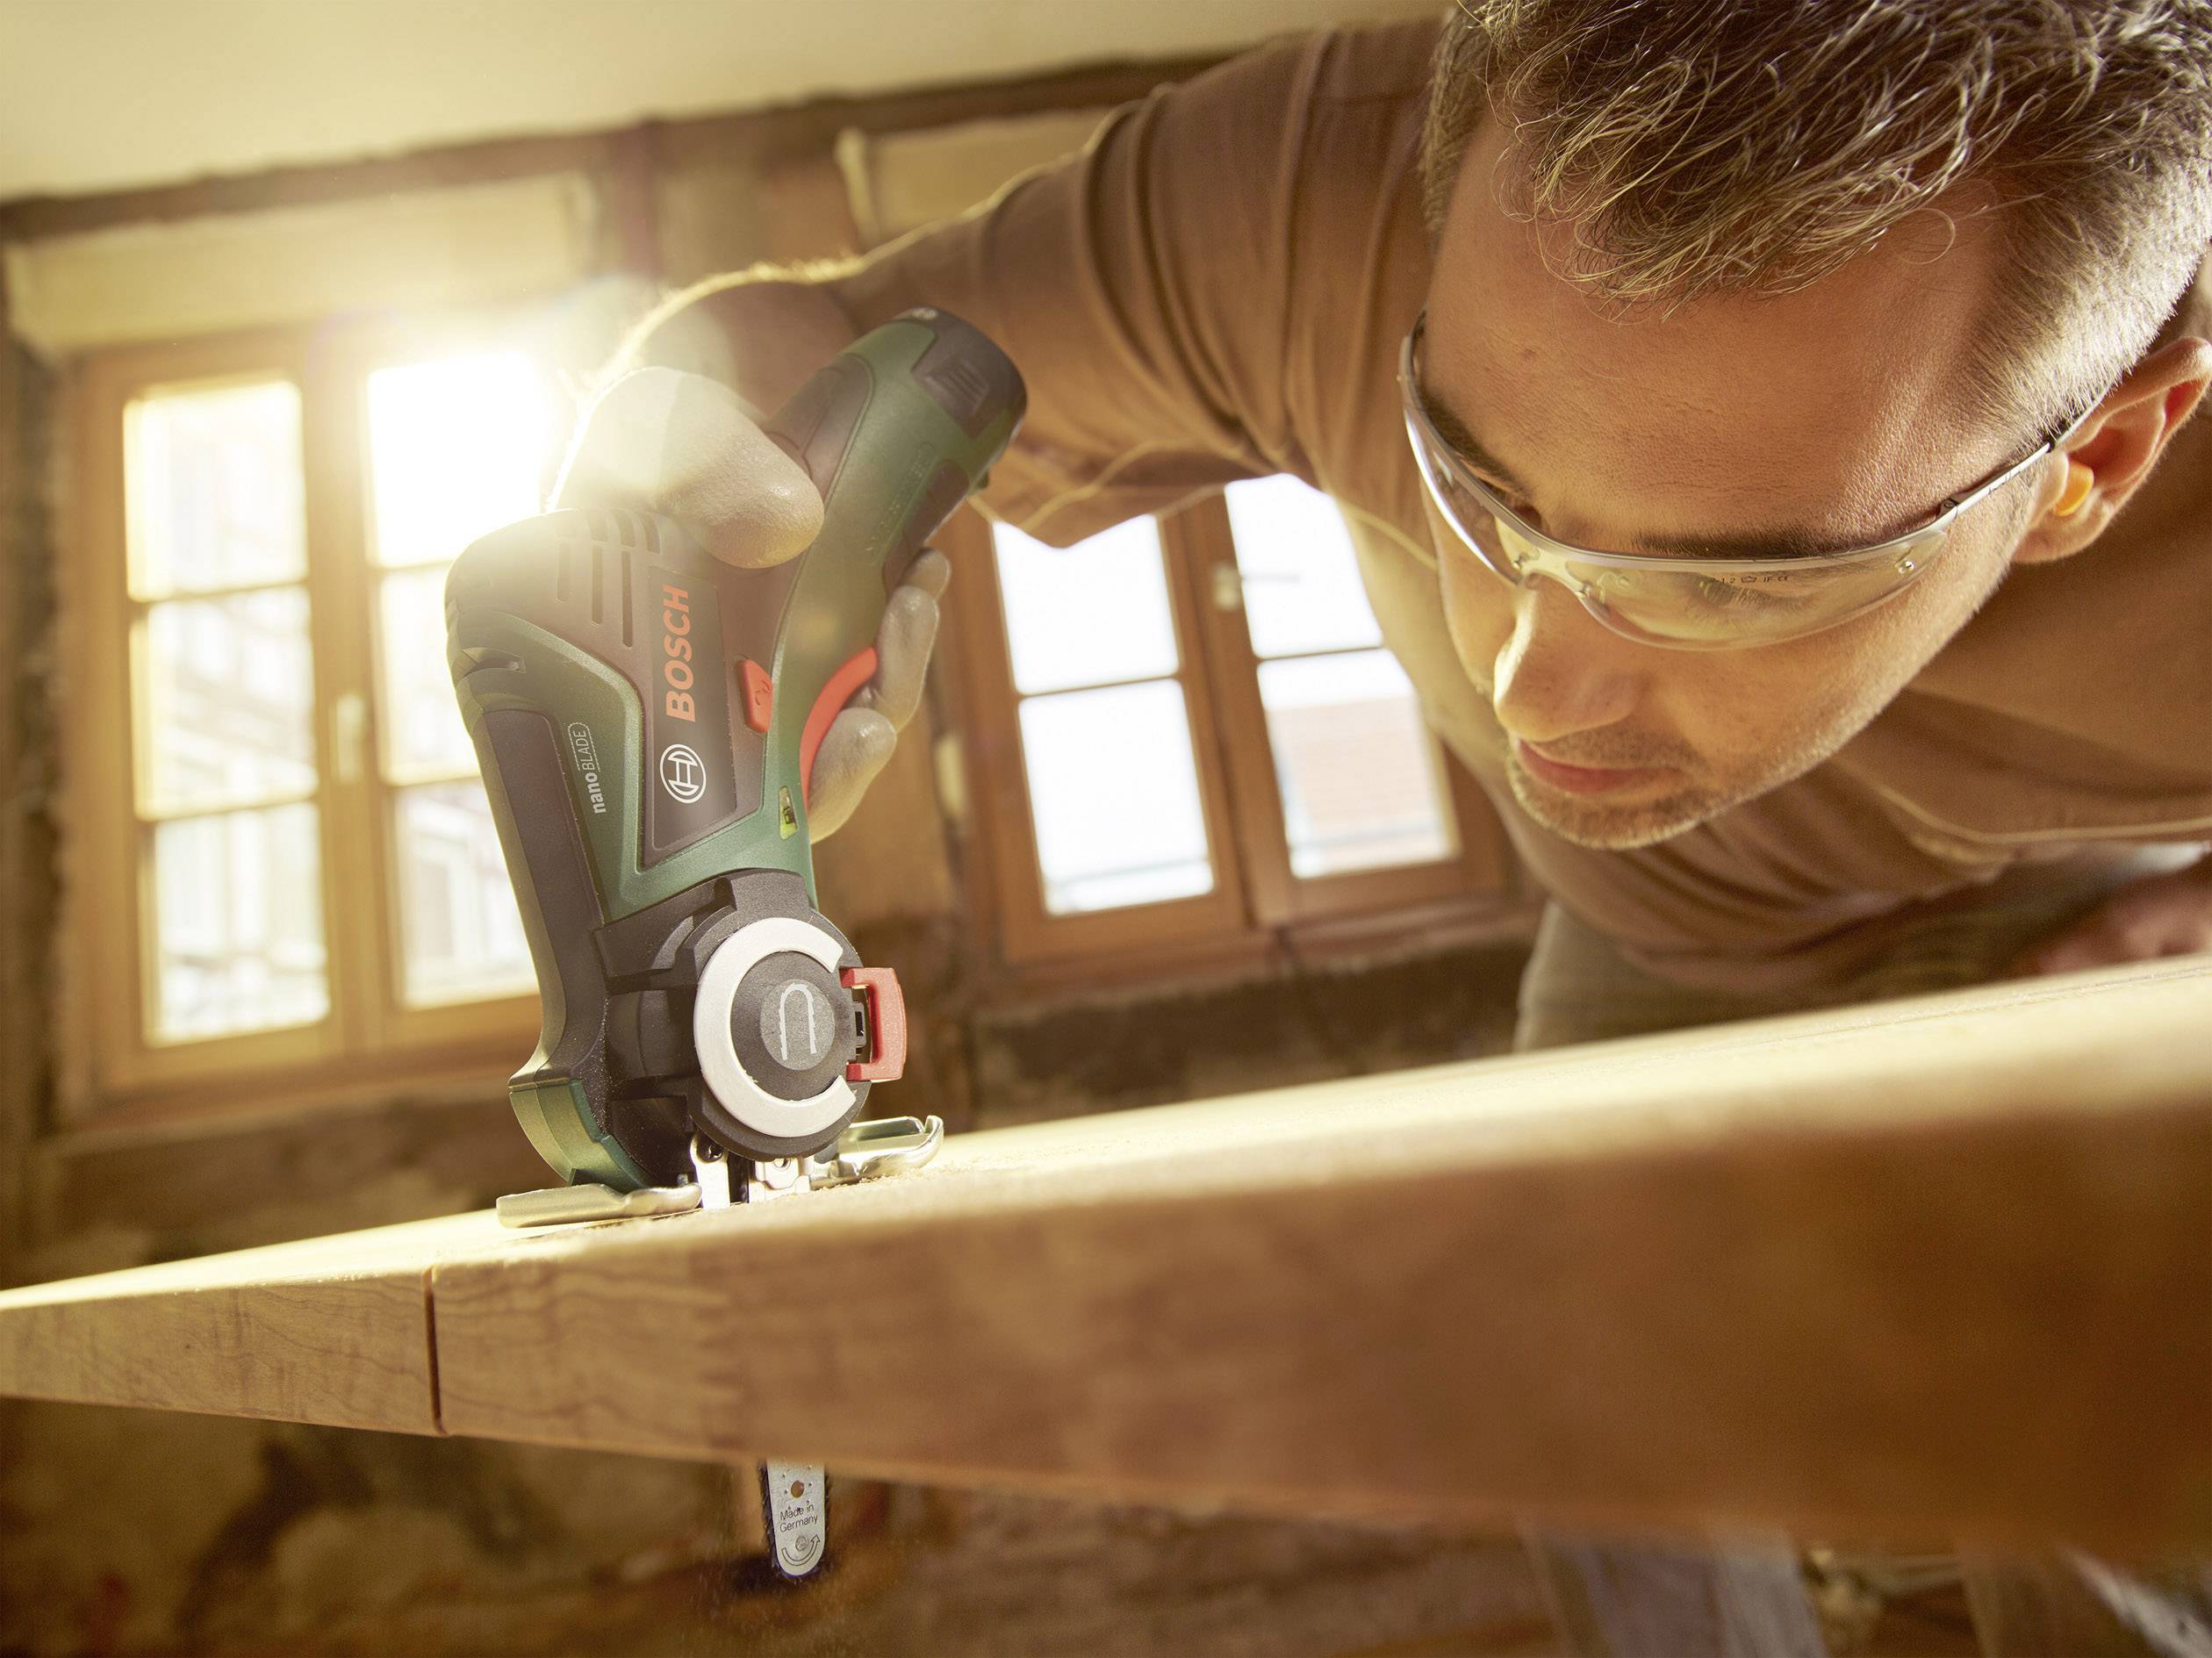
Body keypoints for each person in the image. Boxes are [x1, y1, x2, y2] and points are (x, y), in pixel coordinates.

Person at [552, 4, 2212, 1651]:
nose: (1530, 686)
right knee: (1591, 1424)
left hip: (2087, 909)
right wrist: (669, 506)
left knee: (2108, 1449)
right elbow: (807, 338)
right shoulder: (1314, 197)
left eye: (1715, 582)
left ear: (2100, 461)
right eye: (1478, 486)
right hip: (1671, 936)